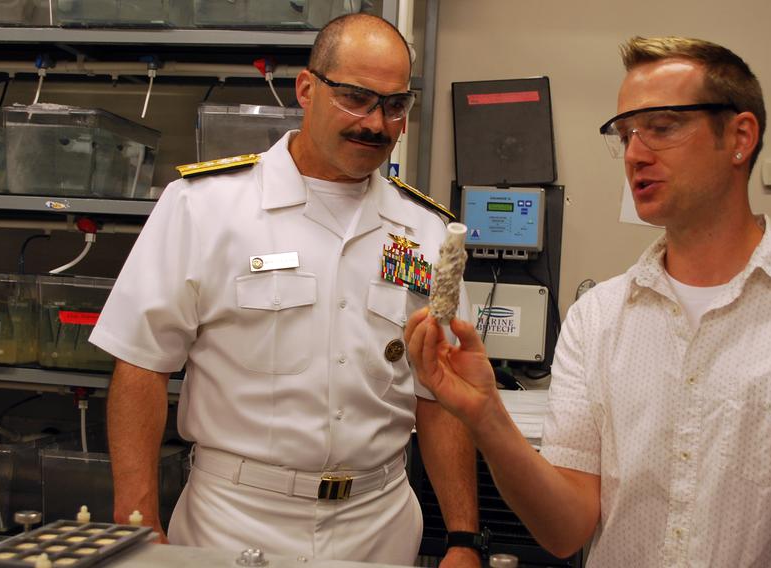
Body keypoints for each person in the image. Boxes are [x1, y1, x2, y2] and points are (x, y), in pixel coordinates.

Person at [405, 36, 771, 567]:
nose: (636, 154)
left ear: (740, 137)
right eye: (625, 134)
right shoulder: (597, 319)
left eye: (662, 128)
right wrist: (486, 416)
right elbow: (564, 530)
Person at [91, 14, 481, 566]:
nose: (376, 123)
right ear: (306, 88)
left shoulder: (427, 232)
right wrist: (137, 523)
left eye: (395, 105)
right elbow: (141, 364)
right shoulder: (204, 206)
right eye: (355, 98)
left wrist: (463, 538)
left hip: (379, 524)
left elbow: (440, 395)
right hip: (234, 518)